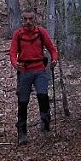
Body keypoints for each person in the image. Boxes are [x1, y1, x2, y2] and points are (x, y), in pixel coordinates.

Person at [9, 10, 58, 145]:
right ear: (22, 19)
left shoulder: (41, 32)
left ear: (35, 19)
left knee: (43, 96)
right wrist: (15, 64)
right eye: (25, 19)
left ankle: (45, 119)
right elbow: (13, 52)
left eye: (30, 19)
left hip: (39, 69)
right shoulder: (18, 35)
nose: (28, 22)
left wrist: (54, 59)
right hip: (24, 71)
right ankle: (22, 131)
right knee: (23, 102)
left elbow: (52, 49)